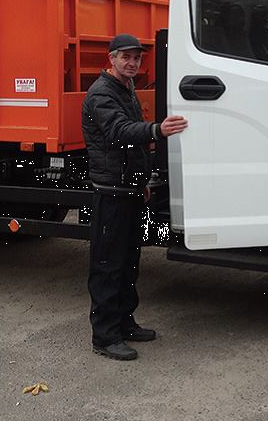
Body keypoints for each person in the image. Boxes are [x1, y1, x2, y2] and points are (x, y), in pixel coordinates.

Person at [82, 33, 188, 361]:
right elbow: (119, 133)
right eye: (125, 57)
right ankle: (105, 336)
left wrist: (141, 182)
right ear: (111, 59)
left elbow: (133, 146)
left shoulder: (125, 87)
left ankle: (125, 323)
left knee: (128, 262)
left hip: (128, 189)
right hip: (111, 193)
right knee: (108, 266)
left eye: (137, 58)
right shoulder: (101, 93)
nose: (132, 63)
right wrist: (157, 129)